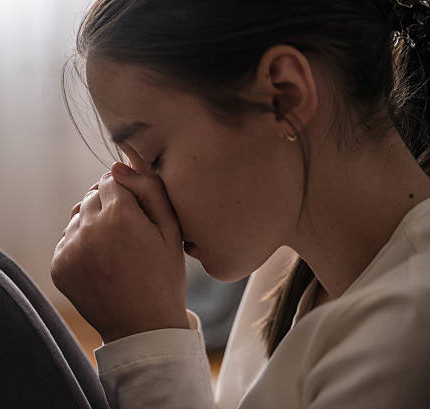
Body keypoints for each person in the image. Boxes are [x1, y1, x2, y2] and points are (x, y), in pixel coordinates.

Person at [50, 0, 430, 408]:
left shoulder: (407, 330)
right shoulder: (284, 265)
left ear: (284, 96)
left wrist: (145, 340)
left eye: (153, 156)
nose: (144, 192)